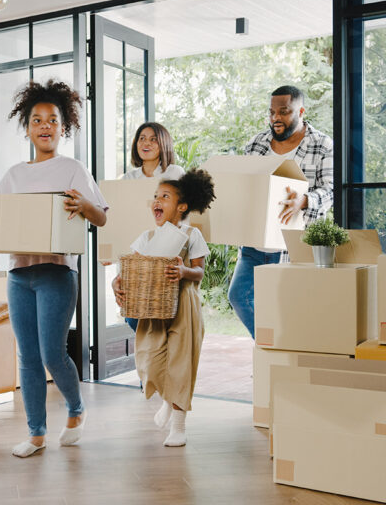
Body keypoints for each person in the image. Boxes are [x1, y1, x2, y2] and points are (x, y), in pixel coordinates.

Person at [0, 80, 108, 458]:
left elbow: (100, 218)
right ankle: (36, 433)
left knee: (52, 354)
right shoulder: (13, 175)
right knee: (26, 356)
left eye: (53, 120)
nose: (45, 126)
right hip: (18, 275)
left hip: (57, 273)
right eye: (37, 120)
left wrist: (84, 206)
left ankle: (76, 408)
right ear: (27, 127)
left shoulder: (73, 168)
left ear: (64, 127)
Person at [112, 169, 216, 447]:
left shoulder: (191, 234)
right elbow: (129, 268)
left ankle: (179, 425)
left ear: (182, 206)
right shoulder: (146, 237)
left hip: (184, 305)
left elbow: (200, 273)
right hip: (152, 308)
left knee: (181, 363)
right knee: (149, 358)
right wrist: (116, 281)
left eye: (165, 197)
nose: (156, 201)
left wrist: (183, 271)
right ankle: (168, 401)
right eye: (155, 197)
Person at [228, 85, 334, 338]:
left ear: (301, 110)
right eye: (272, 112)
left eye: (284, 112)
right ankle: (269, 348)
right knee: (238, 297)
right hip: (255, 245)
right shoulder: (255, 144)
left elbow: (332, 190)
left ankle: (282, 356)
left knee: (288, 309)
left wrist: (304, 200)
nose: (276, 118)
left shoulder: (321, 144)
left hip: (294, 244)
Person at [120, 122, 185, 332]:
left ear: (163, 143)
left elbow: (185, 213)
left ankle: (158, 361)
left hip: (166, 252)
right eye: (141, 138)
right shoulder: (128, 178)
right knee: (133, 315)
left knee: (162, 314)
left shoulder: (175, 172)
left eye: (153, 139)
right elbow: (121, 218)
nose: (146, 143)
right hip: (139, 256)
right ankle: (148, 361)